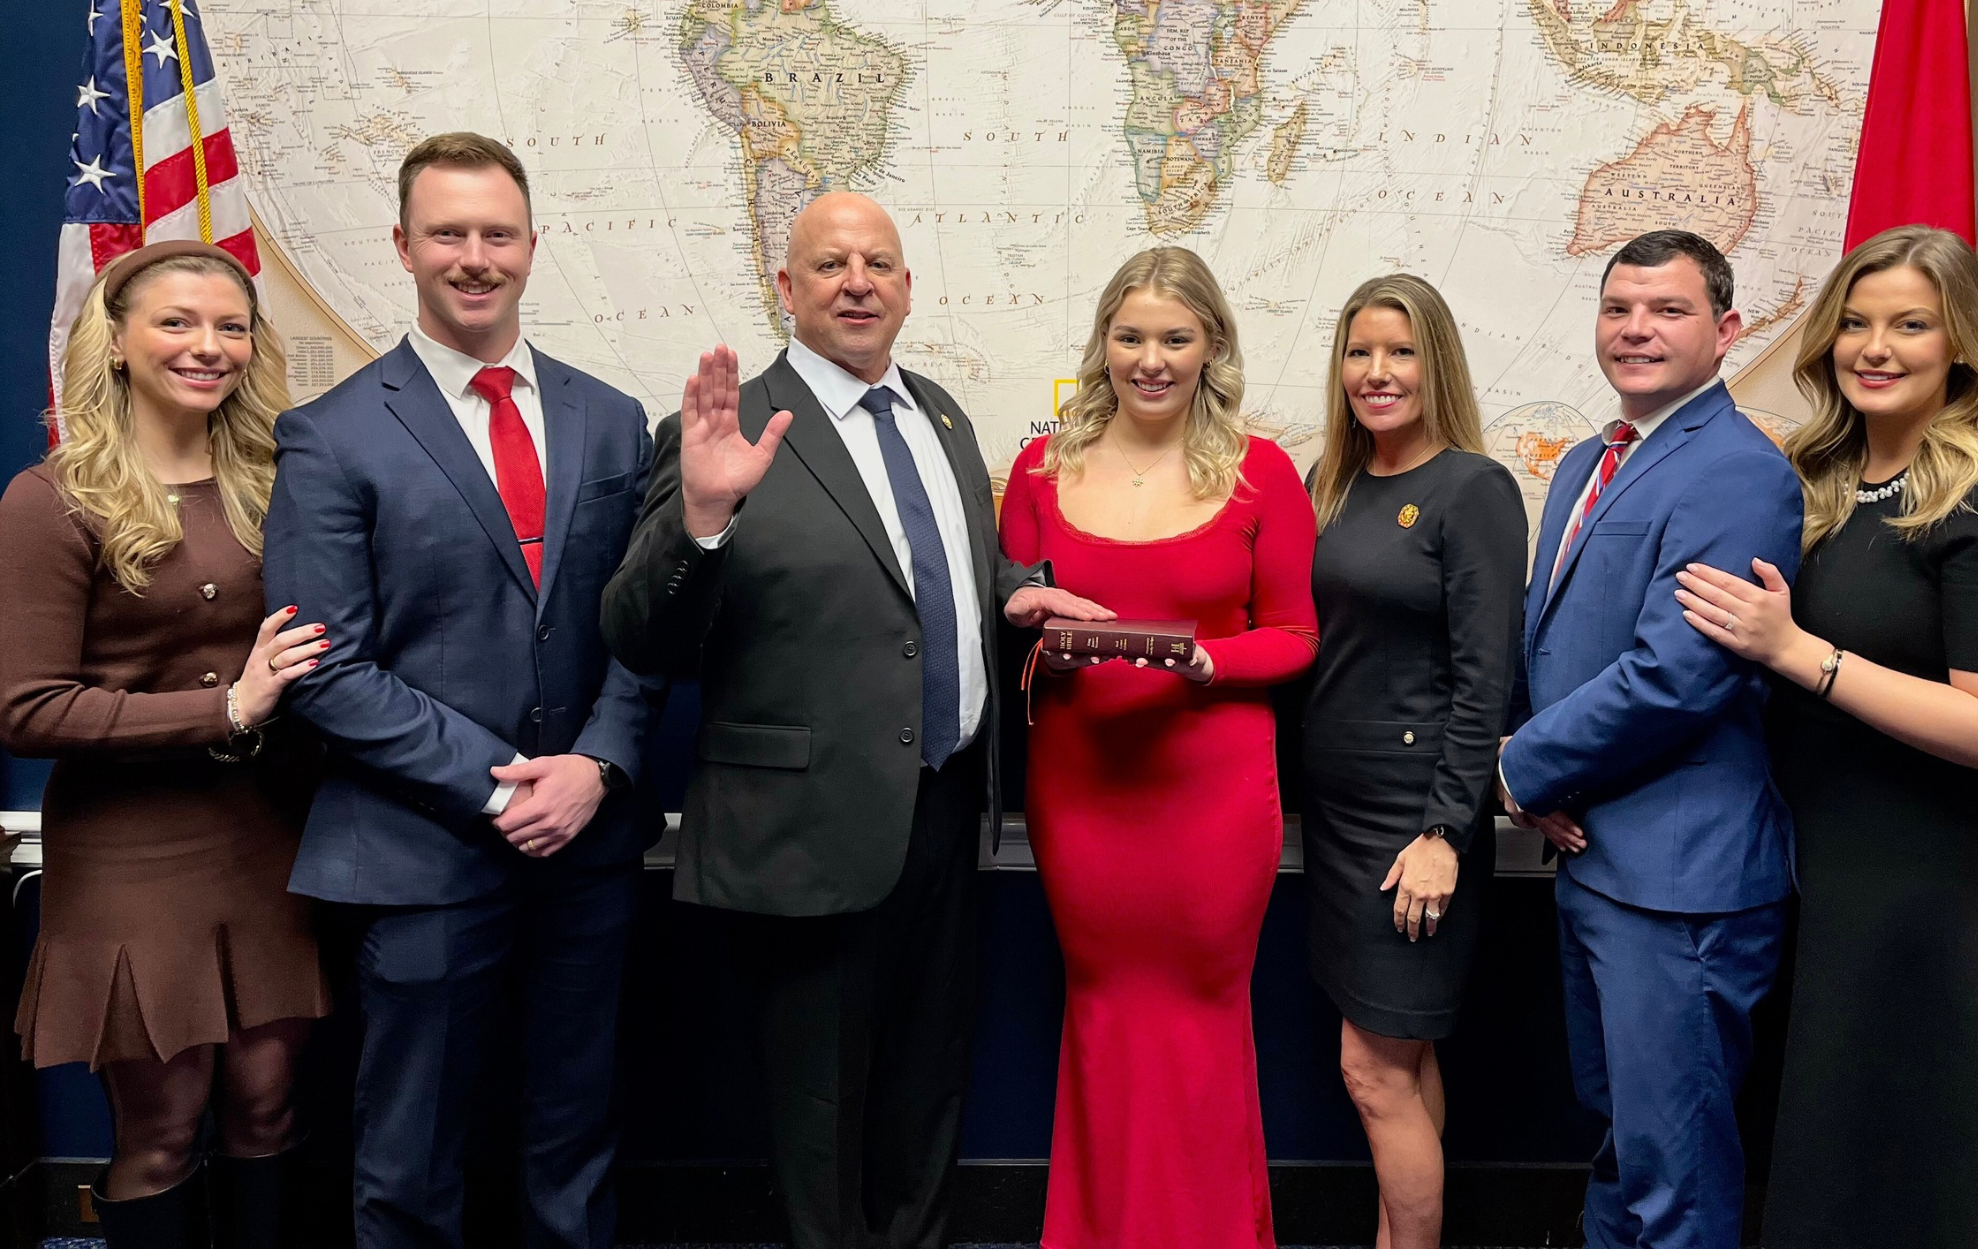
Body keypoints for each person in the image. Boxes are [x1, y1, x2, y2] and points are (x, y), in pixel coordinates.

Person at [600, 192, 1100, 1249]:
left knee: (926, 1097)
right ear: (785, 288)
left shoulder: (942, 415)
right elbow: (639, 632)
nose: (857, 281)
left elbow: (923, 579)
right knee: (821, 1123)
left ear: (909, 288)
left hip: (945, 810)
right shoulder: (725, 434)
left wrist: (1012, 591)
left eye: (878, 263)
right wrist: (701, 519)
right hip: (804, 832)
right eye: (829, 265)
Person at [263, 133, 665, 1249]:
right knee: (411, 1160)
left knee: (574, 1145)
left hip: (584, 848)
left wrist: (594, 767)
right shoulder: (332, 435)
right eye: (448, 233)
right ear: (403, 246)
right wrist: (499, 793)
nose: (474, 257)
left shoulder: (611, 420)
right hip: (421, 852)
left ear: (532, 246)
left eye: (496, 234)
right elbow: (322, 666)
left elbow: (638, 629)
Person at [1670, 225, 1978, 1248]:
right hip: (1802, 887)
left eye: (1909, 325)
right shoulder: (1813, 487)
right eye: (1854, 323)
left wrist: (1800, 654)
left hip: (1919, 909)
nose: (1873, 347)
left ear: (1959, 345)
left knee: (1901, 1194)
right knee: (1811, 1186)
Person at [0, 240, 328, 1247]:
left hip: (267, 843)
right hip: (132, 860)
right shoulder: (51, 501)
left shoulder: (284, 483)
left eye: (230, 325)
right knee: (160, 1127)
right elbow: (27, 708)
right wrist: (227, 708)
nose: (207, 346)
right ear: (116, 341)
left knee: (270, 1110)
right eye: (176, 322)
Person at [997, 247, 1319, 1249]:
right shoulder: (1037, 469)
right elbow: (1009, 626)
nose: (1149, 359)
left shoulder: (1261, 472)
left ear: (1210, 345)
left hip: (1211, 792)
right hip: (1081, 789)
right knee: (1101, 1009)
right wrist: (1043, 656)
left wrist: (1205, 665)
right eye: (1129, 336)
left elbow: (1297, 636)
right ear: (1101, 343)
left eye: (1173, 338)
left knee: (1200, 1016)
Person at [1497, 229, 1803, 1249]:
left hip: (1684, 885)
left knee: (1677, 1176)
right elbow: (1560, 642)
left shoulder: (1733, 472)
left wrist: (1517, 766)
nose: (1635, 329)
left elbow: (1678, 674)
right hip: (1597, 860)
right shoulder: (1590, 458)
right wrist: (1541, 781)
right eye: (1617, 307)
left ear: (1723, 331)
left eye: (1666, 310)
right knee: (1623, 1147)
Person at [1298, 274, 1524, 1249]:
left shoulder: (1472, 488)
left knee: (1371, 1071)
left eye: (1398, 352)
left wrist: (1442, 831)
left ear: (1434, 363)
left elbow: (1486, 682)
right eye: (1359, 352)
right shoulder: (1334, 485)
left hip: (1410, 826)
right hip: (1338, 822)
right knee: (1403, 1060)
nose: (1375, 373)